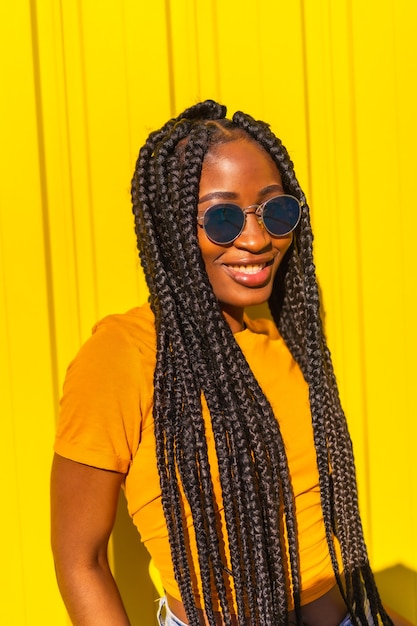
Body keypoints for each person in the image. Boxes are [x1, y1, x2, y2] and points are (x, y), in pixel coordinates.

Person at [50, 100, 411, 626]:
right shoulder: (125, 354)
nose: (257, 238)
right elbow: (80, 560)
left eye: (276, 210)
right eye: (222, 217)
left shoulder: (287, 345)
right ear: (173, 229)